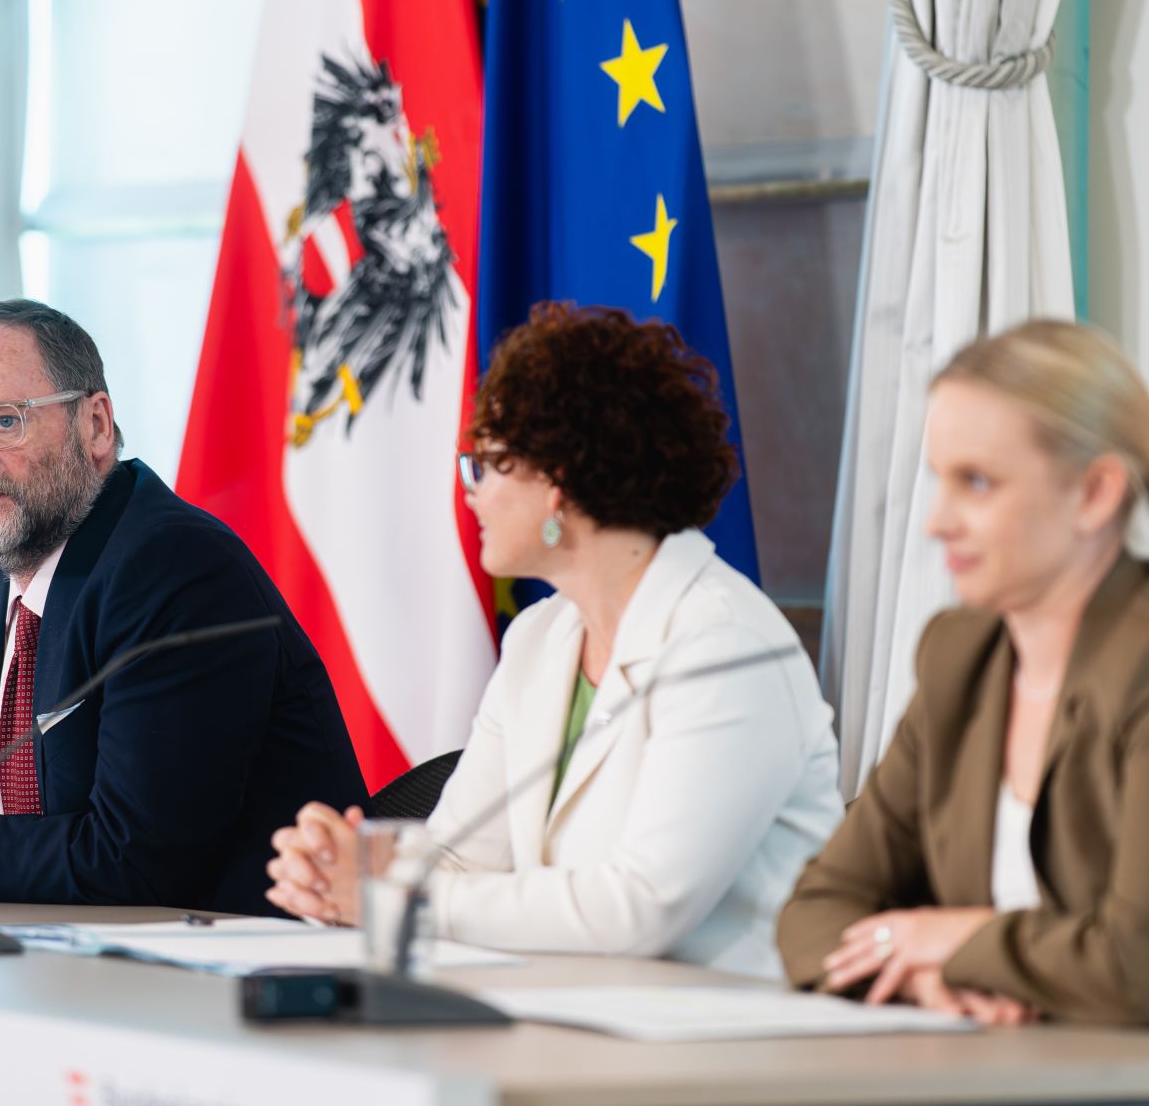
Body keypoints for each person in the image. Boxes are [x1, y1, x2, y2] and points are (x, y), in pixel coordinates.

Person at [265, 302, 843, 977]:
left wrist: (392, 896)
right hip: (576, 1017)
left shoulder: (727, 646)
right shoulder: (540, 637)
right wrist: (353, 867)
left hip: (736, 1046)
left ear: (559, 484)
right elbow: (457, 858)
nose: (471, 493)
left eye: (490, 463)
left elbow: (641, 907)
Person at [0, 299, 368, 914]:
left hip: (240, 971)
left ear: (96, 426)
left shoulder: (176, 567)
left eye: (3, 421)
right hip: (49, 963)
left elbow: (134, 862)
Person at [777, 319, 1149, 1027]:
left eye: (976, 482)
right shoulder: (960, 653)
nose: (937, 521)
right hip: (995, 1072)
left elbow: (1140, 966)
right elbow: (816, 909)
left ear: (1096, 493)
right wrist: (924, 976)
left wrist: (957, 934)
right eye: (938, 480)